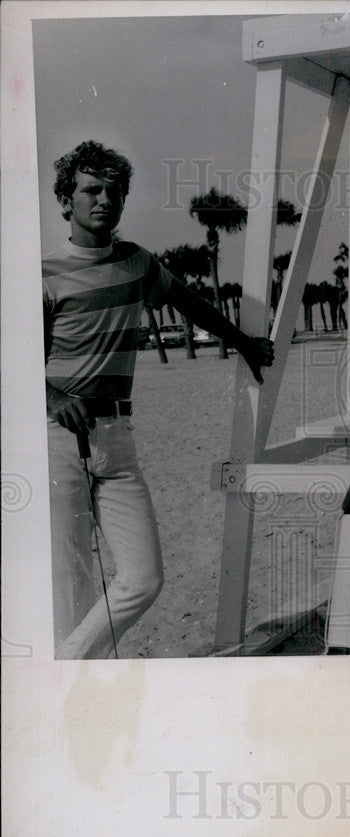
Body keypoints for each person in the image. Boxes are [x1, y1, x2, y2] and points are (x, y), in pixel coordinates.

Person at [44, 140, 274, 658]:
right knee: (71, 584)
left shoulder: (138, 264)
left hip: (118, 439)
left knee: (143, 578)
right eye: (91, 190)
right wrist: (54, 397)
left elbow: (190, 304)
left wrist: (242, 342)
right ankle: (78, 691)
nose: (104, 199)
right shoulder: (44, 275)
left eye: (115, 191)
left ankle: (61, 666)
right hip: (57, 441)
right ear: (67, 201)